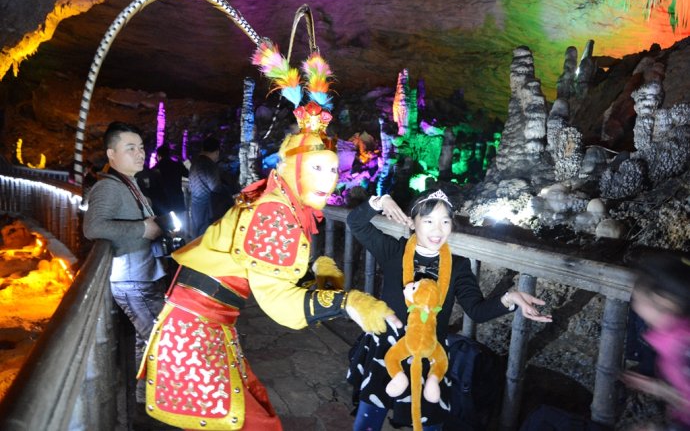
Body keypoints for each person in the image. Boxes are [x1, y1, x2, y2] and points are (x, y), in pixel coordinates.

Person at [137, 40, 402, 430]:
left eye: (333, 170)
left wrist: (319, 281)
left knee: (251, 412)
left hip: (207, 320)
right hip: (196, 328)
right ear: (295, 168)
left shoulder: (280, 199)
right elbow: (280, 306)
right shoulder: (276, 212)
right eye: (317, 168)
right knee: (253, 422)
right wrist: (349, 302)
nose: (329, 181)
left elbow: (272, 273)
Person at [346, 188, 552, 431]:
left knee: (430, 420)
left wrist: (510, 298)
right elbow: (355, 223)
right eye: (428, 221)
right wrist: (380, 202)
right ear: (412, 222)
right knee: (370, 416)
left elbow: (476, 310)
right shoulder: (394, 252)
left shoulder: (457, 266)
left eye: (445, 221)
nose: (438, 229)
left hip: (430, 353)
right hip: (388, 348)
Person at [82, 121, 167, 407]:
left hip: (142, 273)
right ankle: (158, 398)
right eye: (130, 148)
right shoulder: (108, 187)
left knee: (147, 337)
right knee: (160, 335)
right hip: (132, 279)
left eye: (141, 147)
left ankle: (145, 395)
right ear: (111, 154)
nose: (140, 153)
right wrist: (142, 229)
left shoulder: (129, 183)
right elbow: (93, 227)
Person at [621, 251, 690, 431]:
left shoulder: (683, 348)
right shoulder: (677, 336)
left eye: (638, 299)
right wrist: (658, 388)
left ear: (663, 301)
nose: (634, 305)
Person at [189, 136, 227, 238]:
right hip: (208, 208)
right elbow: (215, 187)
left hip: (195, 206)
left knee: (198, 237)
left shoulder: (195, 163)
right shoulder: (209, 165)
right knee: (207, 237)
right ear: (217, 152)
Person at [152, 144, 189, 221]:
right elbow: (188, 174)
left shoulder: (155, 168)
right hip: (177, 200)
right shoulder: (177, 165)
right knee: (180, 221)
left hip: (163, 202)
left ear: (158, 156)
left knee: (167, 224)